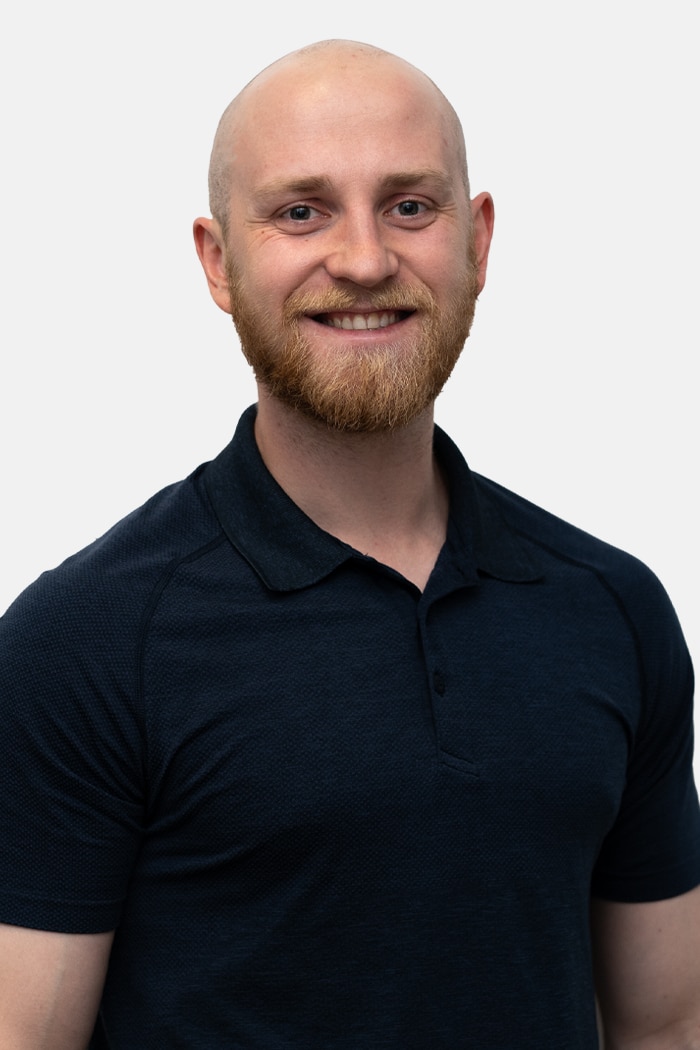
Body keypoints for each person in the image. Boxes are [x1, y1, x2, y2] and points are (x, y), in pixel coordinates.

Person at [1, 38, 699, 1050]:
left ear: (477, 241)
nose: (365, 259)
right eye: (301, 210)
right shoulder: (86, 642)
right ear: (218, 261)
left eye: (410, 206)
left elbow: (665, 1024)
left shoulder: (612, 610)